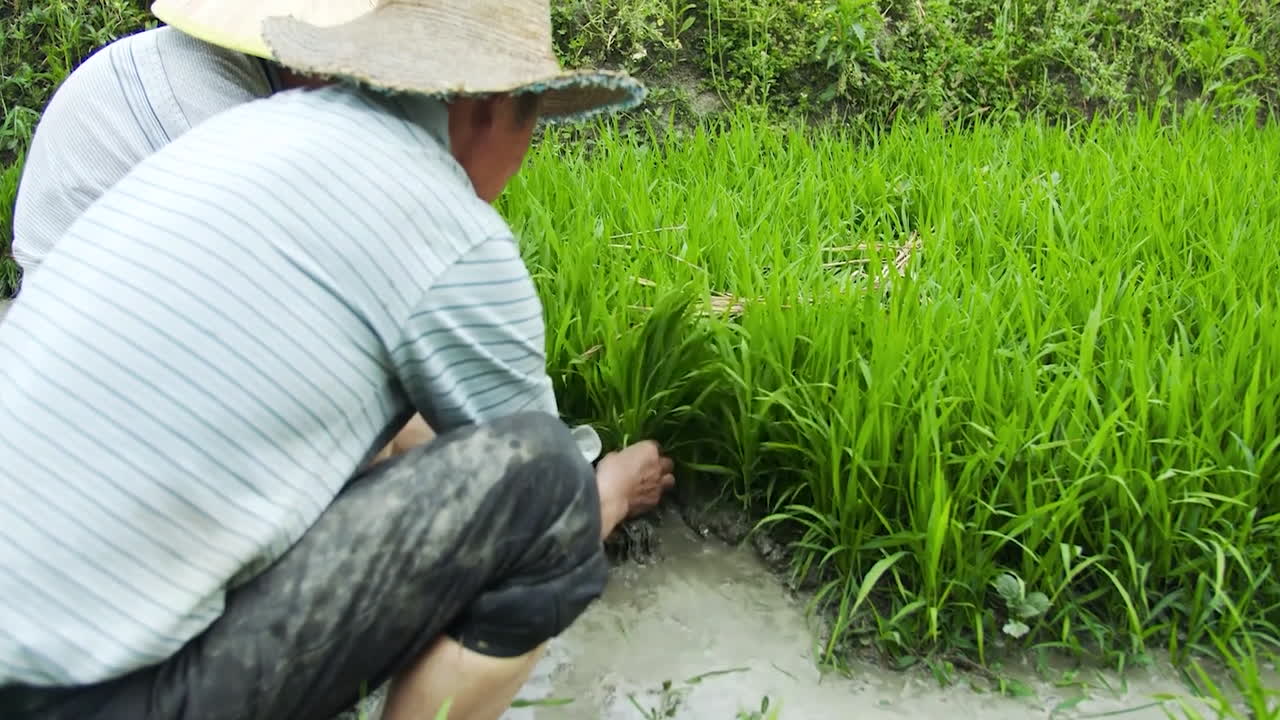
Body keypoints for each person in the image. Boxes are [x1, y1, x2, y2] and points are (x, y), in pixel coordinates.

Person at [0, 1, 675, 719]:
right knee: (546, 481)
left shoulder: (235, 134)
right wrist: (605, 490)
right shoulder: (450, 232)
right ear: (492, 108)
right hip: (85, 699)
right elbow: (537, 508)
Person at [10, 0, 433, 459]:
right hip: (92, 380)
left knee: (424, 429)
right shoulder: (205, 102)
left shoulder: (265, 93)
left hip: (163, 333)